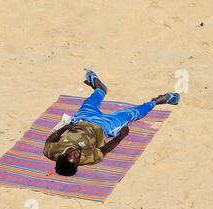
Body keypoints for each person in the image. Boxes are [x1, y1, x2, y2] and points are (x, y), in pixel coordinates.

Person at [43, 70, 180, 177]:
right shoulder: (85, 158)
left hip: (82, 118)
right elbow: (105, 150)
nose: (77, 154)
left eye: (72, 155)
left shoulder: (52, 151)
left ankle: (100, 88)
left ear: (62, 155)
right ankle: (157, 101)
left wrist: (66, 126)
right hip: (104, 126)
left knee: (93, 99)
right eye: (77, 158)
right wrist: (120, 136)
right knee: (130, 114)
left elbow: (50, 140)